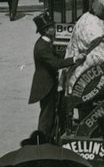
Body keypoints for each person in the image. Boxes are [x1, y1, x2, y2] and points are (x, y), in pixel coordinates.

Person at [30, 12, 77, 140]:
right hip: (45, 86)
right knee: (47, 115)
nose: (53, 29)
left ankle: (47, 138)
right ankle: (43, 140)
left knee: (50, 112)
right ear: (45, 30)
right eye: (51, 27)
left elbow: (56, 57)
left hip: (48, 83)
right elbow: (56, 63)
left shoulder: (46, 43)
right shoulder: (42, 47)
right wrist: (74, 59)